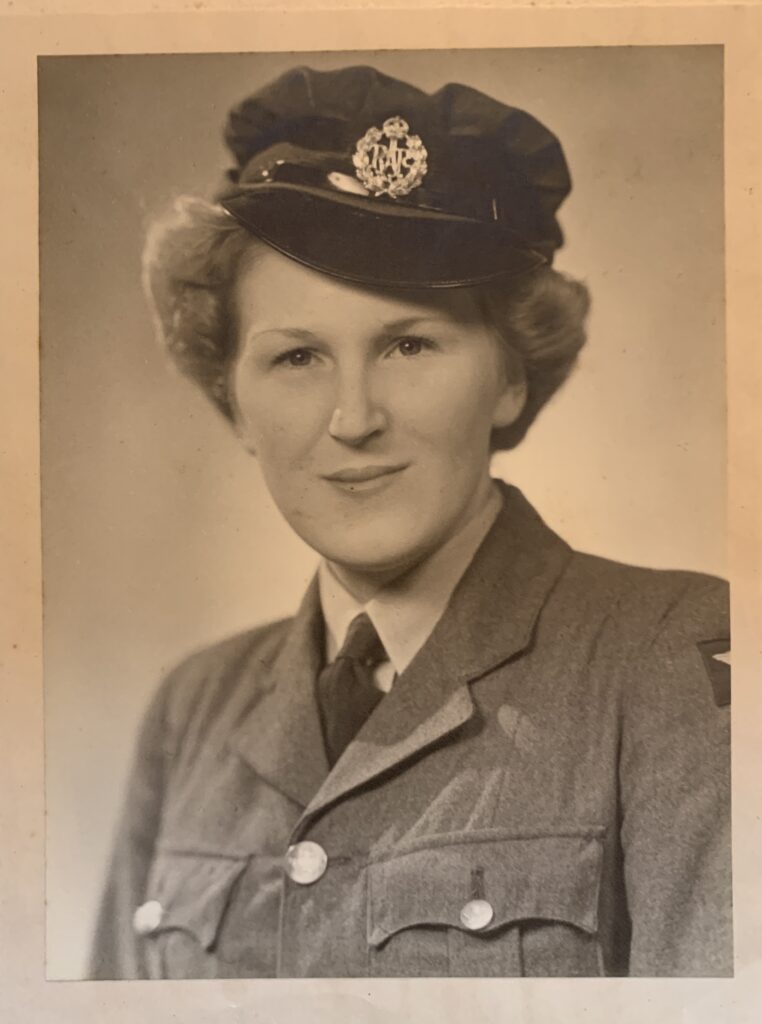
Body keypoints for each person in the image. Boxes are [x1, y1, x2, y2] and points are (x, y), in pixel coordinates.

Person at [89, 64, 731, 979]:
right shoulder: (190, 712)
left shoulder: (672, 657)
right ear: (232, 403)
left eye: (408, 344)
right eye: (298, 356)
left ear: (509, 377)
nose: (353, 418)